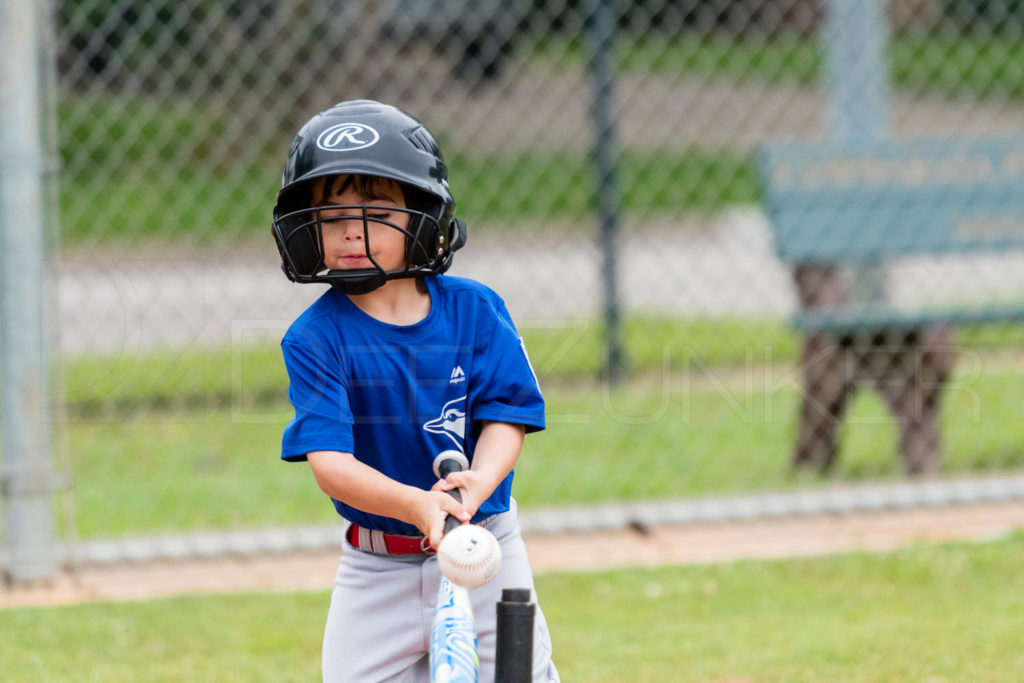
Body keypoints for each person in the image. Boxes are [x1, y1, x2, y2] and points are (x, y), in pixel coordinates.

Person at [272, 99, 559, 682]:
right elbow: (330, 463)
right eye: (330, 214)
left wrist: (481, 481)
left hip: (485, 545)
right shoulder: (314, 339)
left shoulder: (477, 311)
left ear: (422, 217)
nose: (351, 230)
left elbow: (506, 416)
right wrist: (415, 505)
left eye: (376, 209)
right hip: (378, 566)